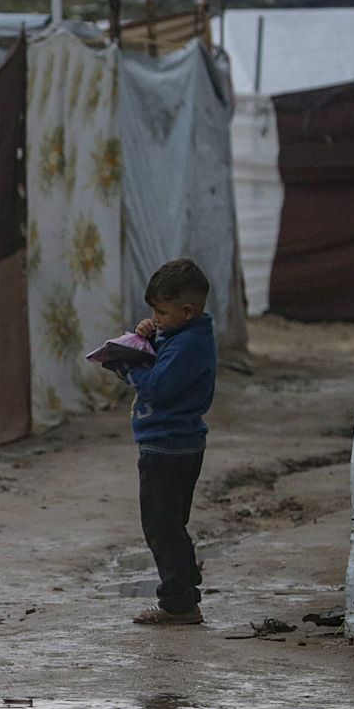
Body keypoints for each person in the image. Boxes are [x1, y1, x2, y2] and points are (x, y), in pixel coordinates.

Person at [126, 258, 217, 627]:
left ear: (187, 310)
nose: (155, 317)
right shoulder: (183, 336)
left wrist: (128, 364)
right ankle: (184, 578)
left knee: (161, 527)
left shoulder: (188, 345)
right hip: (178, 445)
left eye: (160, 312)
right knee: (171, 523)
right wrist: (147, 336)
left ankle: (179, 603)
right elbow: (164, 358)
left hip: (167, 447)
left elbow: (159, 388)